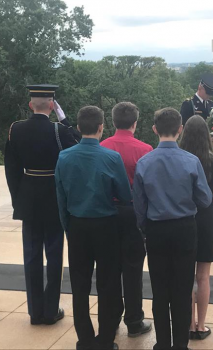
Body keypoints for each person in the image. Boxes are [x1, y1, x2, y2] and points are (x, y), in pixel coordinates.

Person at [133, 108, 212, 350]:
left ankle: (163, 344)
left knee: (160, 290)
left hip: (156, 230)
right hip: (184, 229)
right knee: (182, 288)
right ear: (180, 130)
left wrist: (147, 229)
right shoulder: (191, 161)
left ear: (155, 130)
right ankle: (180, 344)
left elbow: (139, 205)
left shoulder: (144, 162)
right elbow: (205, 199)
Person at [55, 106, 132, 350]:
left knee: (79, 285)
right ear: (101, 127)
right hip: (106, 226)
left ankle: (85, 340)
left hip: (78, 226)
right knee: (108, 284)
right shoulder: (111, 158)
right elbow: (125, 195)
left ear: (78, 128)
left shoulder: (64, 157)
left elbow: (61, 199)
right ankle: (106, 338)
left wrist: (69, 228)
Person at [4, 84, 80, 325]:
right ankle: (50, 309)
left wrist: (18, 199)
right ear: (51, 105)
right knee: (54, 254)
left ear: (30, 105)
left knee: (32, 255)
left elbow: (11, 170)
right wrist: (64, 118)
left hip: (28, 195)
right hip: (53, 196)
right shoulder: (59, 130)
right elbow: (79, 144)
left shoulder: (15, 129)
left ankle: (35, 312)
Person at [100, 102, 152, 337]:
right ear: (135, 123)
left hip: (107, 213)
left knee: (109, 269)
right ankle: (134, 321)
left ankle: (110, 322)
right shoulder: (145, 149)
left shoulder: (101, 147)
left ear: (113, 122)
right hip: (133, 213)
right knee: (133, 271)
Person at [179, 115, 213, 340]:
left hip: (185, 217)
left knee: (187, 275)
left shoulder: (180, 159)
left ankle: (188, 324)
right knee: (203, 276)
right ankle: (201, 326)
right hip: (206, 217)